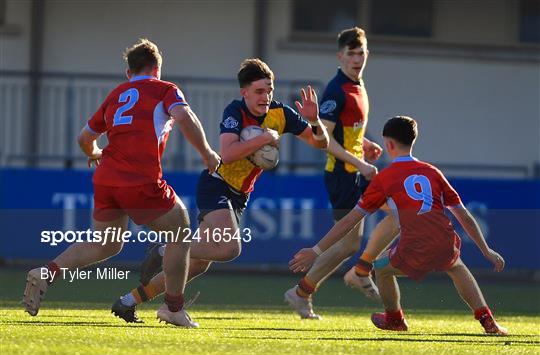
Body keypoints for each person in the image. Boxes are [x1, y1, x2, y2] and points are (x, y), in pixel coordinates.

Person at [110, 58, 329, 323]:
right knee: (229, 248)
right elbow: (227, 152)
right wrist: (263, 138)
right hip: (217, 184)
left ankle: (131, 302)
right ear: (244, 92)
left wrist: (315, 121)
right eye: (259, 91)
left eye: (269, 90)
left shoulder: (281, 114)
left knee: (198, 262)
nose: (266, 96)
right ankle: (167, 248)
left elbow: (320, 143)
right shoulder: (234, 111)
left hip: (239, 195)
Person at [22, 39, 220, 328]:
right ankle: (173, 308)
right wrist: (207, 153)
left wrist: (94, 154)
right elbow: (183, 115)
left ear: (129, 73)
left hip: (106, 179)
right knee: (180, 231)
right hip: (139, 179)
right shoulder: (165, 89)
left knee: (106, 244)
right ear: (157, 70)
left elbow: (84, 138)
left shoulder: (117, 94)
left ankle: (48, 271)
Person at [289, 116, 508, 335]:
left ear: (388, 144)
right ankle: (488, 320)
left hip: (415, 245)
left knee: (382, 268)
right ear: (413, 140)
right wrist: (486, 251)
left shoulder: (385, 178)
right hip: (444, 238)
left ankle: (394, 319)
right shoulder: (432, 172)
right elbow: (465, 217)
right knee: (457, 267)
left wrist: (316, 250)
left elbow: (349, 220)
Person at [284, 27, 399, 319]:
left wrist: (367, 146)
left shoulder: (358, 86)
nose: (357, 58)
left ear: (367, 55)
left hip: (356, 173)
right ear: (340, 56)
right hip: (342, 175)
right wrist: (358, 162)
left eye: (361, 52)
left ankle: (336, 279)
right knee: (359, 237)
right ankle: (321, 284)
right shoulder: (336, 90)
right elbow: (326, 141)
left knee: (389, 220)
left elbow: (350, 133)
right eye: (351, 53)